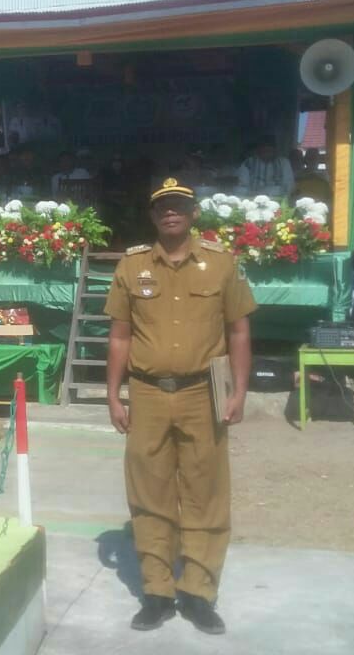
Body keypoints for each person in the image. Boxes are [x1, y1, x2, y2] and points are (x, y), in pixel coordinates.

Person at [104, 177, 256, 636]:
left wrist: (240, 391)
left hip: (202, 391)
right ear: (153, 216)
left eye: (179, 206)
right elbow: (119, 336)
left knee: (205, 491)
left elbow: (239, 332)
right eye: (162, 207)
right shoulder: (130, 268)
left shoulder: (221, 264)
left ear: (192, 214)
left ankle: (198, 591)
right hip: (148, 391)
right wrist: (113, 394)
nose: (171, 213)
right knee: (149, 491)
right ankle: (157, 590)